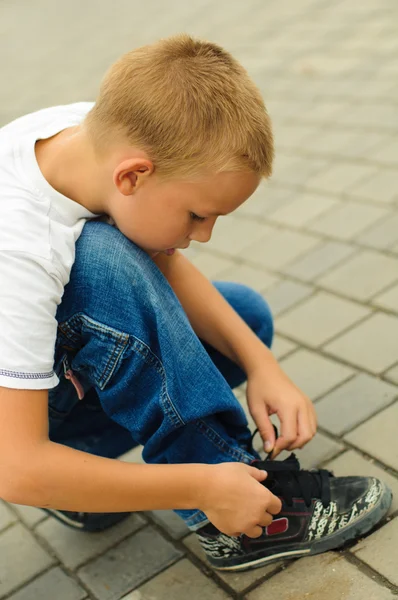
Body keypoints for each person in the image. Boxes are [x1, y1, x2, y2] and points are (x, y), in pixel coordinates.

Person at [0, 34, 391, 572]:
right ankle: (247, 519)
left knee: (242, 320)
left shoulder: (95, 136)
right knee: (100, 260)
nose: (204, 236)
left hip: (45, 392)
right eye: (196, 216)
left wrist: (263, 365)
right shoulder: (19, 248)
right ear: (132, 175)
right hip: (13, 430)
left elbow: (162, 264)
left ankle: (80, 479)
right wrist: (201, 483)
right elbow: (15, 467)